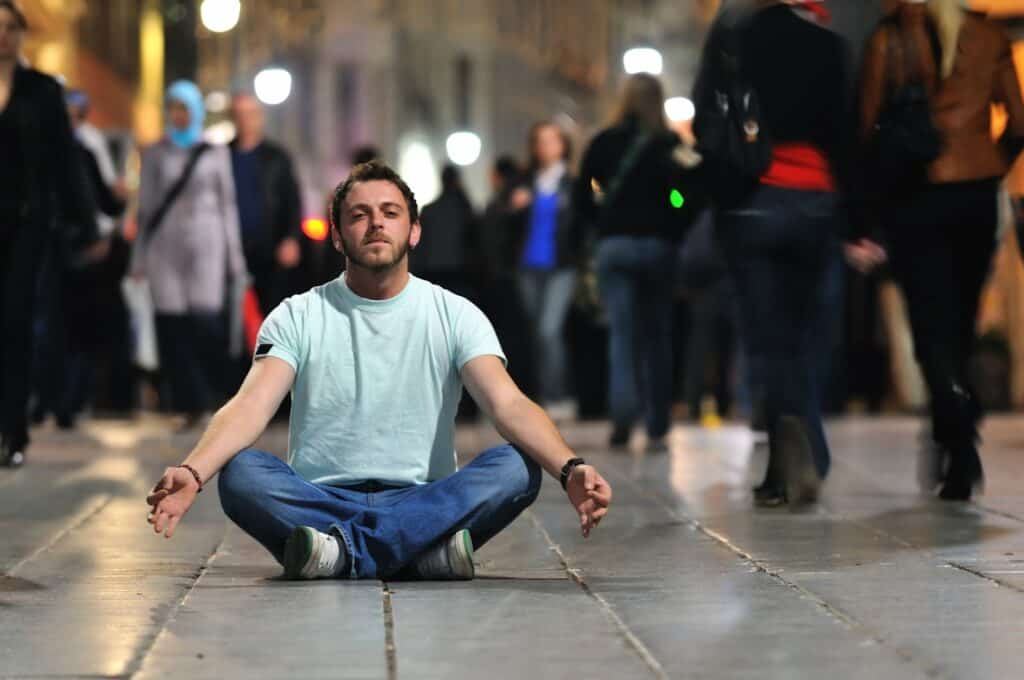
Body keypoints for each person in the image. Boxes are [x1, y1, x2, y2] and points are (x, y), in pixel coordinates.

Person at [145, 162, 612, 581]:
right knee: (241, 473)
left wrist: (570, 468)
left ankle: (342, 554)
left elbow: (506, 402)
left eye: (390, 213)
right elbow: (252, 404)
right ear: (337, 235)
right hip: (322, 500)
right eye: (359, 215)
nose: (375, 224)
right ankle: (420, 554)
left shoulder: (455, 313)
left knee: (517, 467)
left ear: (413, 231)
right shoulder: (297, 314)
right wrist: (194, 470)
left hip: (422, 499)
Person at [857, 0, 1024, 500]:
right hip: (975, 195)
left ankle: (956, 433)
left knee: (931, 327)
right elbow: (1018, 123)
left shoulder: (891, 37)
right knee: (962, 322)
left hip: (916, 196)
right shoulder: (988, 35)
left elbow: (868, 125)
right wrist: (988, 166)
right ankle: (954, 426)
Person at [693, 0, 849, 505]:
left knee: (767, 340)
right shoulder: (828, 46)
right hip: (815, 201)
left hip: (751, 203)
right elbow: (845, 133)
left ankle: (789, 455)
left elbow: (705, 121)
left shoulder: (731, 36)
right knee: (807, 336)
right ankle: (805, 453)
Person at [573, 74, 696, 451]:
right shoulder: (670, 144)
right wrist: (673, 217)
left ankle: (622, 418)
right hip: (658, 248)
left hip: (615, 247)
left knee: (622, 335)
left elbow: (584, 194)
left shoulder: (603, 142)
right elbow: (685, 194)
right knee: (658, 335)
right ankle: (658, 422)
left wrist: (605, 218)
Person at [0, 1, 98, 466]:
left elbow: (64, 160)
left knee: (15, 322)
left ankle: (14, 431)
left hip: (24, 226)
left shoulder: (40, 91)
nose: (1, 36)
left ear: (21, 35)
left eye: (8, 28)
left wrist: (85, 219)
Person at [132, 80, 246, 427]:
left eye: (184, 108)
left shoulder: (215, 152)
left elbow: (228, 205)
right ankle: (187, 402)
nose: (178, 115)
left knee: (206, 323)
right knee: (172, 327)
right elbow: (146, 208)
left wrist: (234, 258)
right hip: (164, 249)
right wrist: (137, 260)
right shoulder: (155, 152)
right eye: (173, 108)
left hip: (207, 247)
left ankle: (216, 397)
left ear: (195, 111)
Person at [511, 122, 580, 413]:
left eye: (552, 141)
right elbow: (503, 221)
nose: (546, 147)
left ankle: (558, 396)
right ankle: (541, 397)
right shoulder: (524, 182)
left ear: (563, 145)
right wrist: (514, 207)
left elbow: (582, 224)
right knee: (536, 334)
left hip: (561, 266)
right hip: (528, 266)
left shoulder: (573, 184)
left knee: (549, 330)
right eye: (540, 141)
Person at [229, 93, 303, 317]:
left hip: (268, 250)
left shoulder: (277, 157)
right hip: (231, 251)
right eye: (239, 114)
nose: (245, 120)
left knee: (270, 314)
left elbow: (292, 200)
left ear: (259, 117)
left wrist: (291, 238)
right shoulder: (222, 155)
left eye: (250, 114)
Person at [412, 164, 477, 300]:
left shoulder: (429, 210)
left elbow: (421, 246)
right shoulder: (465, 210)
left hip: (432, 271)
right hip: (460, 272)